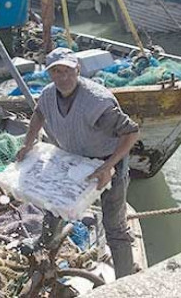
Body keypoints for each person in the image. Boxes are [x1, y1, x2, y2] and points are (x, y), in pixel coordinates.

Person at [16, 48, 141, 279]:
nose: (62, 77)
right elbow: (38, 115)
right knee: (54, 202)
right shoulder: (47, 94)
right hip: (72, 158)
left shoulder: (96, 101)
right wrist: (28, 143)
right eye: (56, 71)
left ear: (78, 70)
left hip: (106, 161)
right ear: (49, 74)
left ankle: (125, 279)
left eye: (67, 71)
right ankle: (44, 241)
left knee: (114, 225)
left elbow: (131, 132)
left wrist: (107, 167)